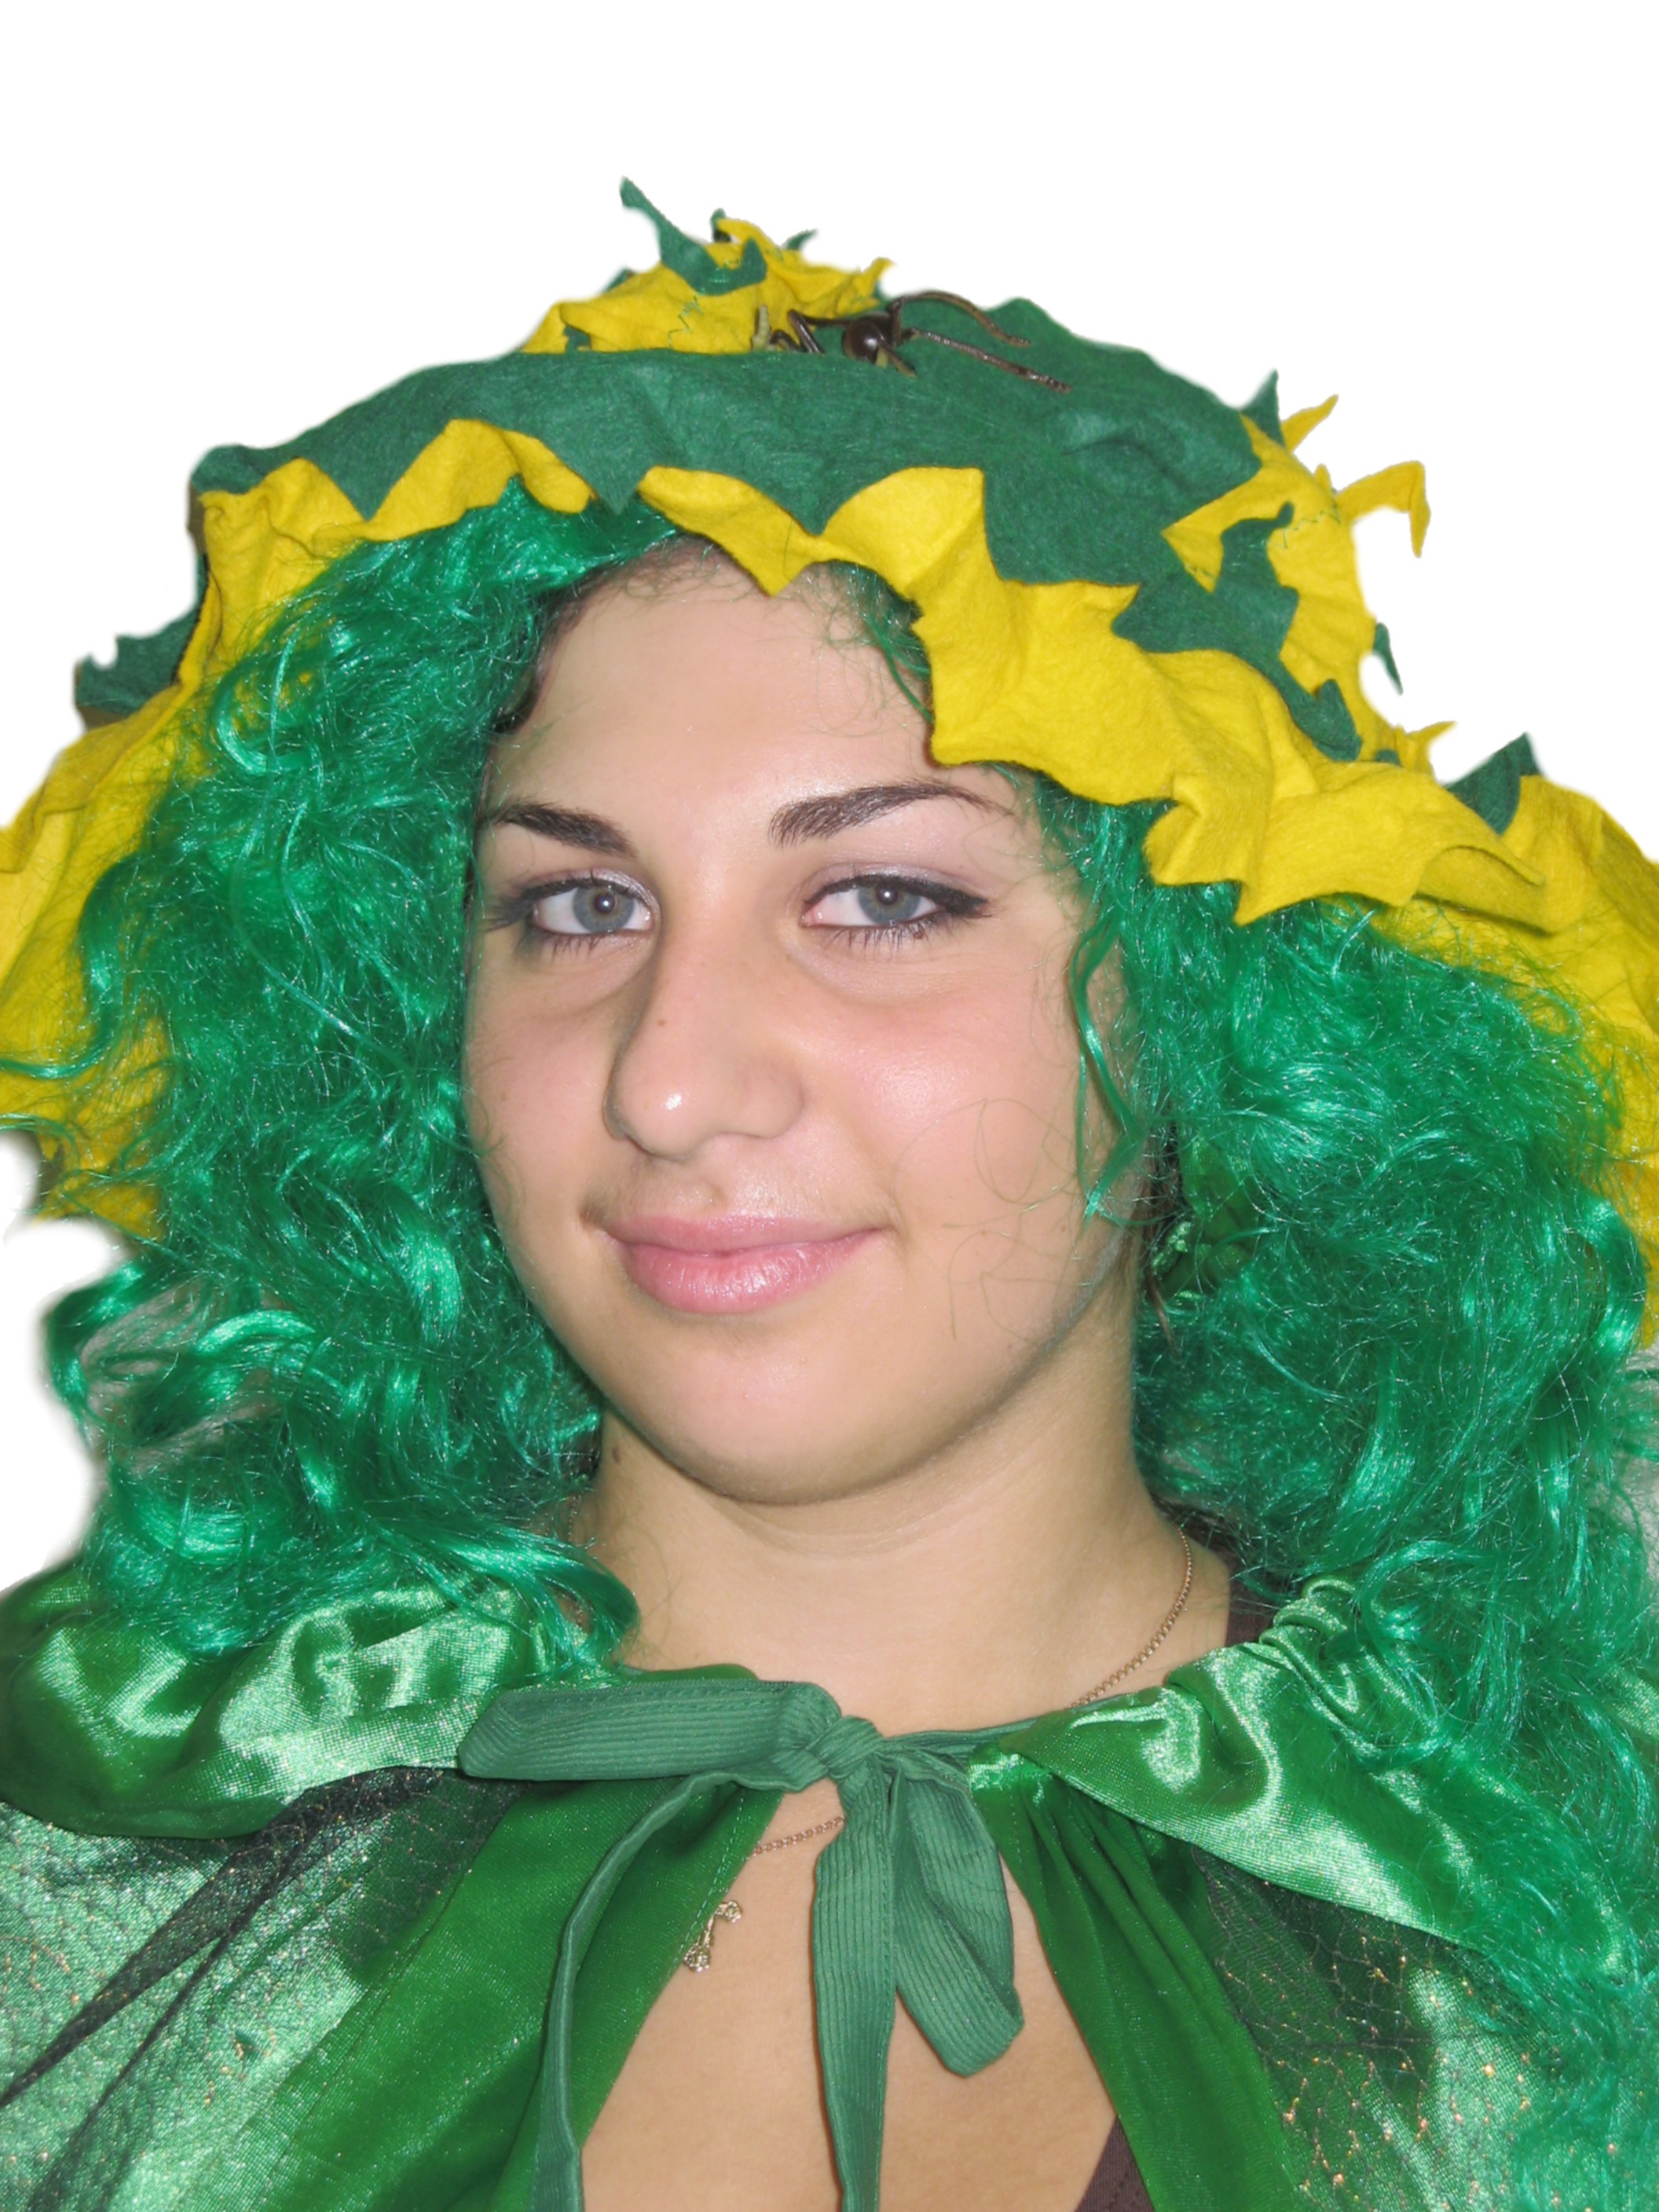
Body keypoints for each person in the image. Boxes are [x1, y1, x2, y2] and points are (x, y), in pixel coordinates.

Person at [0, 186, 1655, 2212]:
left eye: (884, 898)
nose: (672, 1078)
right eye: (576, 905)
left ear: (1222, 1012)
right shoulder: (97, 1828)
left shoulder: (1559, 1911)